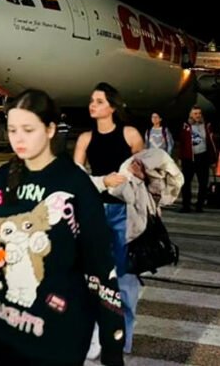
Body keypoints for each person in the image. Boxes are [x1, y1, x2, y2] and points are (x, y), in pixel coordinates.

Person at [0, 89, 124, 366]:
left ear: (50, 129)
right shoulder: (2, 178)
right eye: (12, 130)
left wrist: (112, 341)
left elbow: (100, 265)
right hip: (4, 330)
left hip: (60, 334)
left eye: (28, 130)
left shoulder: (75, 184)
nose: (19, 138)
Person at [72, 82, 144, 358]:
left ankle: (122, 337)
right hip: (95, 212)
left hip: (125, 212)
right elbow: (76, 178)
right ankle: (94, 335)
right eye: (92, 100)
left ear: (112, 106)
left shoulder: (130, 134)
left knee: (125, 276)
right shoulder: (85, 139)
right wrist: (103, 181)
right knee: (92, 275)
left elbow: (144, 171)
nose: (93, 105)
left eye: (99, 101)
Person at [177, 105, 218, 213]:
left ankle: (199, 205)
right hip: (189, 159)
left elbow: (212, 143)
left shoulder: (206, 126)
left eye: (199, 113)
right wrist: (180, 157)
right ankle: (186, 205)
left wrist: (213, 159)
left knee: (203, 183)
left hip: (203, 157)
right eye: (195, 114)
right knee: (186, 183)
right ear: (191, 115)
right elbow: (182, 143)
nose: (198, 116)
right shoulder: (186, 126)